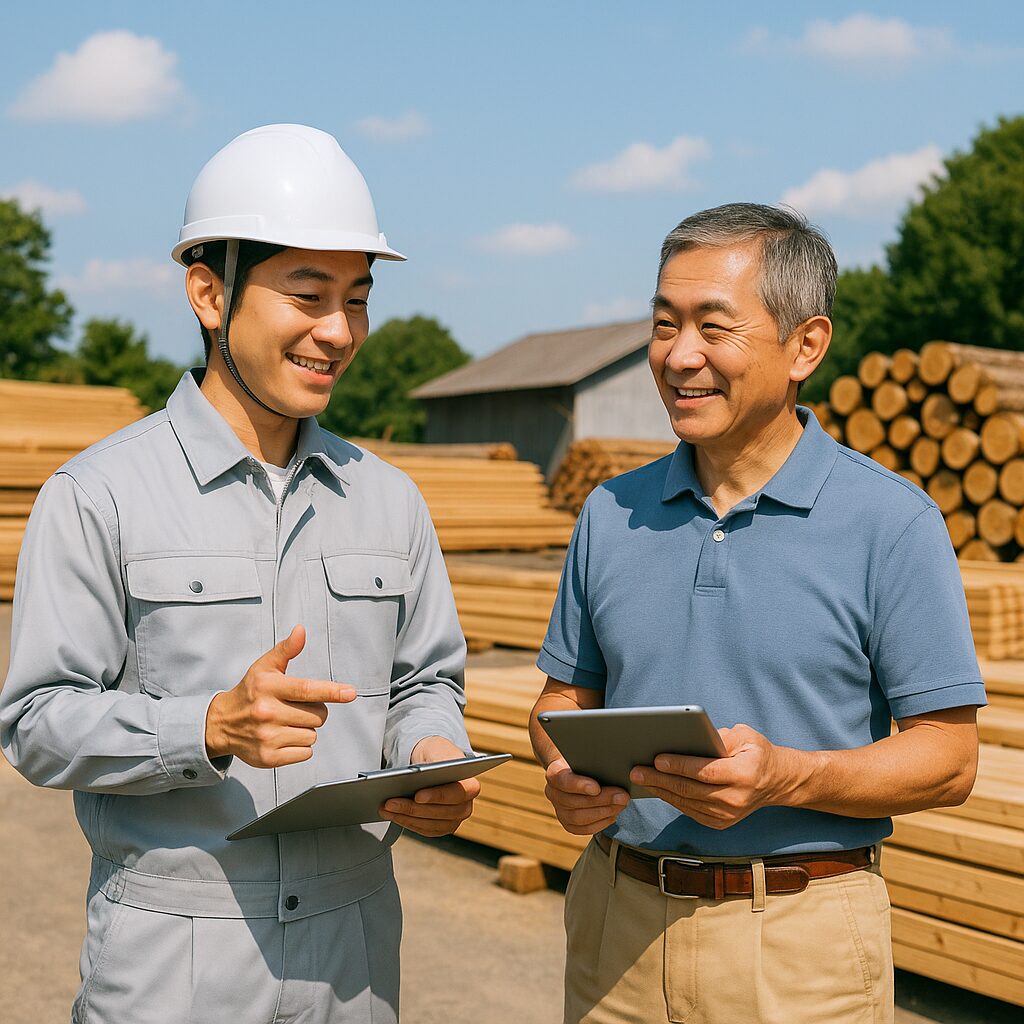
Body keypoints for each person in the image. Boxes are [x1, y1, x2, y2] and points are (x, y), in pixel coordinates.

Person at [1, 124, 479, 1024]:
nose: (338, 332)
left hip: (355, 955)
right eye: (308, 295)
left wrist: (432, 753)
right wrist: (207, 725)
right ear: (209, 293)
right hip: (177, 960)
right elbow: (35, 723)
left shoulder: (390, 500)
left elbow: (425, 682)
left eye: (357, 298)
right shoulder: (99, 495)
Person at [529, 203, 985, 1024]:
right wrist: (564, 773)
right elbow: (563, 701)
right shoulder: (609, 513)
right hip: (614, 925)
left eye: (714, 326)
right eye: (664, 324)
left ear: (806, 345)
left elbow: (949, 758)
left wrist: (788, 777)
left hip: (800, 942)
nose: (679, 355)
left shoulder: (892, 523)